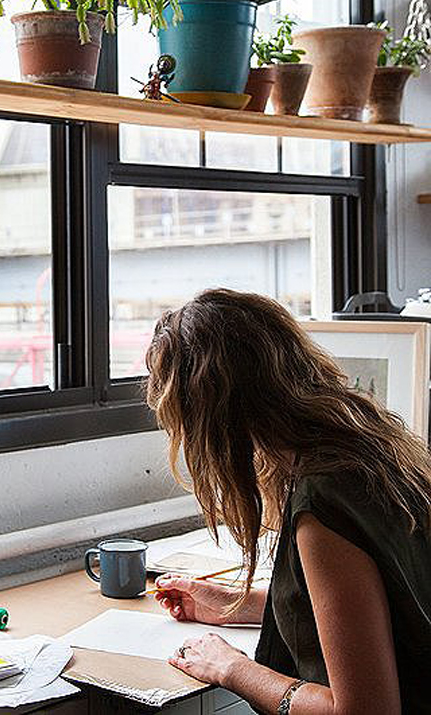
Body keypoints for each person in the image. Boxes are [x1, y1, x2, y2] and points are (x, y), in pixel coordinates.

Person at [145, 289, 431, 715]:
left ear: (215, 417)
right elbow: (369, 615)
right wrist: (233, 604)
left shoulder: (322, 503)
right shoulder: (372, 449)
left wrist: (231, 668)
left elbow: (364, 710)